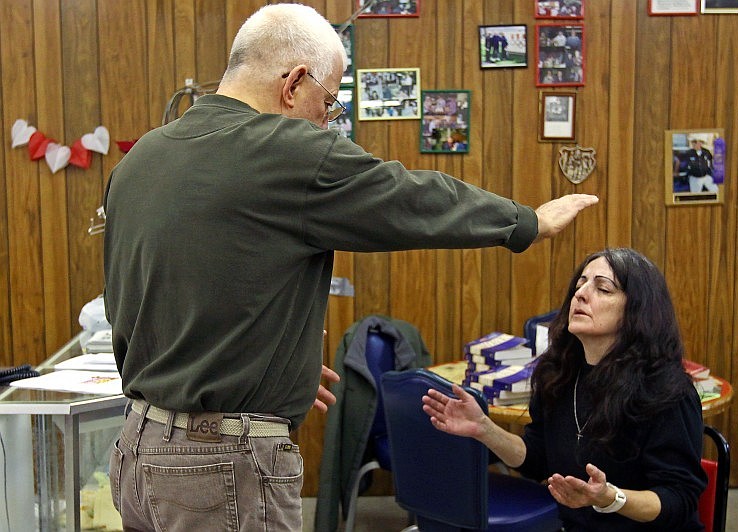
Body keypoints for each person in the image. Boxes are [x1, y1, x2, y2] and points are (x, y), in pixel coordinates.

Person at [103, 3, 598, 531]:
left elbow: (137, 303)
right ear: (293, 83)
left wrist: (264, 369)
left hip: (137, 449)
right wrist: (528, 223)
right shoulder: (286, 149)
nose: (327, 119)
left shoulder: (139, 160)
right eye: (329, 100)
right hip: (221, 467)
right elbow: (410, 198)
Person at [423, 248, 707, 531]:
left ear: (638, 311)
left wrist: (611, 498)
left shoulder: (667, 390)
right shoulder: (559, 373)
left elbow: (678, 498)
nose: (581, 293)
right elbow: (537, 459)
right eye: (580, 283)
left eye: (603, 289)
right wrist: (484, 429)